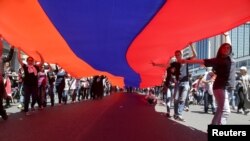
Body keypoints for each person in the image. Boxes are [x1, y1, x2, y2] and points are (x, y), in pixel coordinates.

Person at [177, 39, 236, 125]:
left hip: (226, 88)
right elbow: (202, 61)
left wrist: (226, 35)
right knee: (225, 111)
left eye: (228, 48)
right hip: (221, 87)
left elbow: (229, 45)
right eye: (224, 48)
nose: (226, 49)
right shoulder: (218, 60)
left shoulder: (230, 58)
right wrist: (186, 61)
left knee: (220, 109)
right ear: (220, 50)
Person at [172, 44, 197, 121]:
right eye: (176, 55)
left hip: (185, 82)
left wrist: (191, 46)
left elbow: (195, 55)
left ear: (181, 54)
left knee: (182, 99)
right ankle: (176, 113)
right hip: (178, 83)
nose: (177, 56)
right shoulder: (175, 64)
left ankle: (179, 114)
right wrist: (156, 64)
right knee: (176, 99)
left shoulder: (185, 60)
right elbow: (166, 66)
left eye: (178, 55)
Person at [17, 48, 44, 115]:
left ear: (33, 61)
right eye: (29, 60)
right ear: (27, 61)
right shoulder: (25, 67)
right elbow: (19, 59)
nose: (30, 61)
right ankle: (26, 111)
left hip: (34, 85)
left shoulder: (36, 67)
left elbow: (42, 62)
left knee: (35, 97)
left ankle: (32, 106)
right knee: (27, 98)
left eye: (31, 60)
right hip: (27, 85)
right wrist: (19, 51)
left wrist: (39, 54)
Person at [0, 35, 14, 120]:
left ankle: (3, 113)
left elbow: (9, 57)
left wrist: (12, 49)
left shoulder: (1, 59)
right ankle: (3, 113)